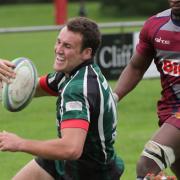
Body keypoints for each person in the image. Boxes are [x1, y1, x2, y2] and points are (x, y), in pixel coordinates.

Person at [0, 17, 124, 180]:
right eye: (58, 42)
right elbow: (28, 88)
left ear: (86, 52)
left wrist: (19, 143)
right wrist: (7, 77)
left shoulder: (76, 90)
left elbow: (71, 148)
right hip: (65, 162)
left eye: (67, 46)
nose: (58, 49)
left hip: (89, 172)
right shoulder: (72, 74)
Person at [113, 0, 180, 179]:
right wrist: (113, 97)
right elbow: (136, 67)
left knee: (147, 166)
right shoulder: (155, 25)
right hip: (169, 115)